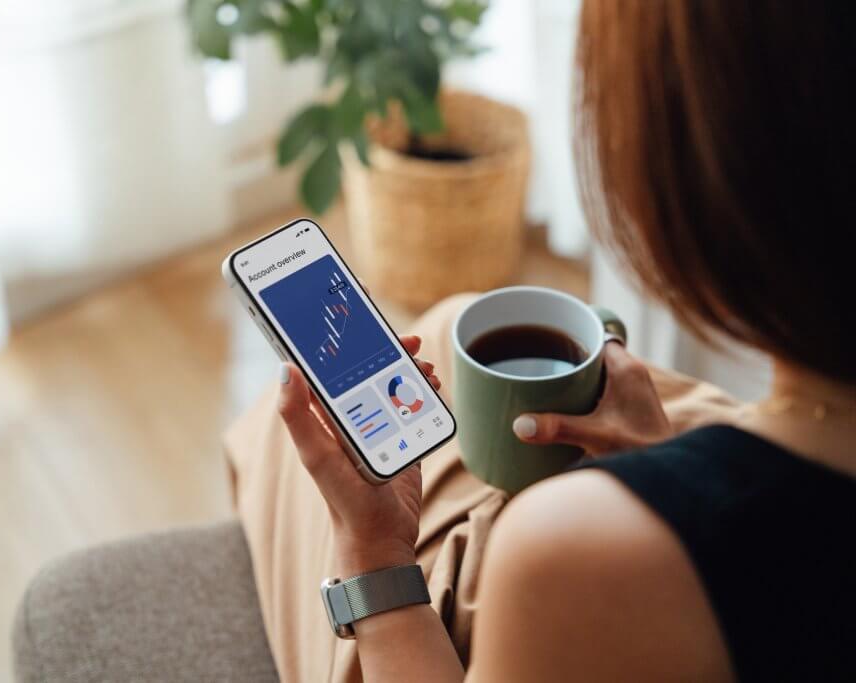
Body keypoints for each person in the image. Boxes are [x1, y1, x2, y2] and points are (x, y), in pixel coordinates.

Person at [276, 2, 856, 681]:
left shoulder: (573, 557)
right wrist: (676, 469)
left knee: (287, 442)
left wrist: (372, 553)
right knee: (449, 320)